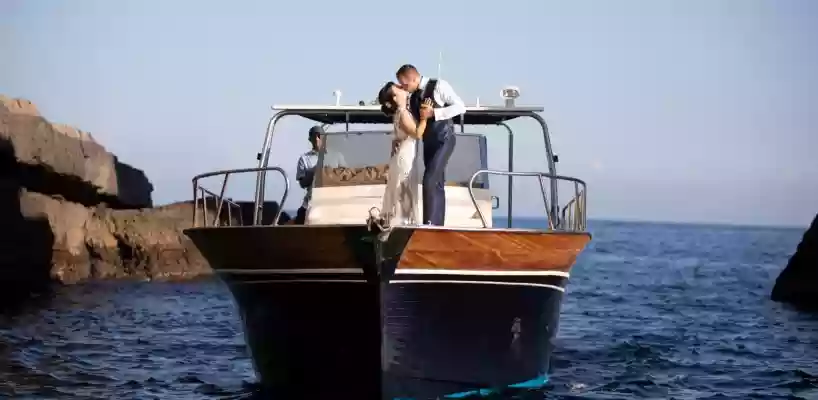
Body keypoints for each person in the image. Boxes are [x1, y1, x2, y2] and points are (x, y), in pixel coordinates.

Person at [396, 64, 466, 226]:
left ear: (413, 78)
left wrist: (434, 113)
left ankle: (429, 223)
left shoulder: (439, 86)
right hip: (428, 142)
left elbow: (460, 107)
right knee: (437, 182)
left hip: (444, 139)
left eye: (405, 84)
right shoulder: (413, 97)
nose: (404, 88)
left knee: (429, 179)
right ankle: (437, 224)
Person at [373, 81, 433, 228]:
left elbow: (398, 137)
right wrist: (425, 117)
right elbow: (418, 133)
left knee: (402, 189)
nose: (402, 88)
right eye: (398, 88)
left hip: (403, 155)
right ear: (394, 97)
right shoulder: (403, 113)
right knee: (404, 190)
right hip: (405, 157)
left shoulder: (401, 112)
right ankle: (403, 224)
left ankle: (400, 222)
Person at [294, 125, 345, 224]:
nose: (317, 139)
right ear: (310, 139)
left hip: (334, 200)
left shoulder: (337, 156)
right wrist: (315, 169)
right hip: (312, 201)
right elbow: (302, 183)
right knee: (301, 217)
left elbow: (347, 177)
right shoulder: (304, 159)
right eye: (314, 136)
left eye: (319, 135)